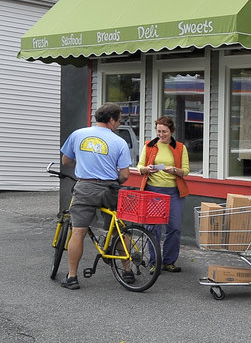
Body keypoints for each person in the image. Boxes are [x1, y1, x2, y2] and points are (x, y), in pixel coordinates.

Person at [59, 103, 132, 290]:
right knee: (119, 228)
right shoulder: (120, 142)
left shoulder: (78, 134)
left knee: (78, 231)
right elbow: (124, 175)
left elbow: (66, 160)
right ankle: (127, 271)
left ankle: (72, 277)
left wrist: (83, 161)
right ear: (112, 120)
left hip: (85, 187)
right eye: (118, 120)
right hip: (110, 189)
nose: (119, 124)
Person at [137, 115, 189, 272]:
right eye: (158, 131)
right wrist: (147, 169)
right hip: (153, 190)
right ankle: (154, 262)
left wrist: (174, 170)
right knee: (153, 228)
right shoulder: (149, 145)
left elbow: (185, 171)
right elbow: (140, 167)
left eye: (164, 131)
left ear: (171, 131)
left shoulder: (180, 147)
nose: (161, 134)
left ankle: (168, 261)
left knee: (174, 227)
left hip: (174, 192)